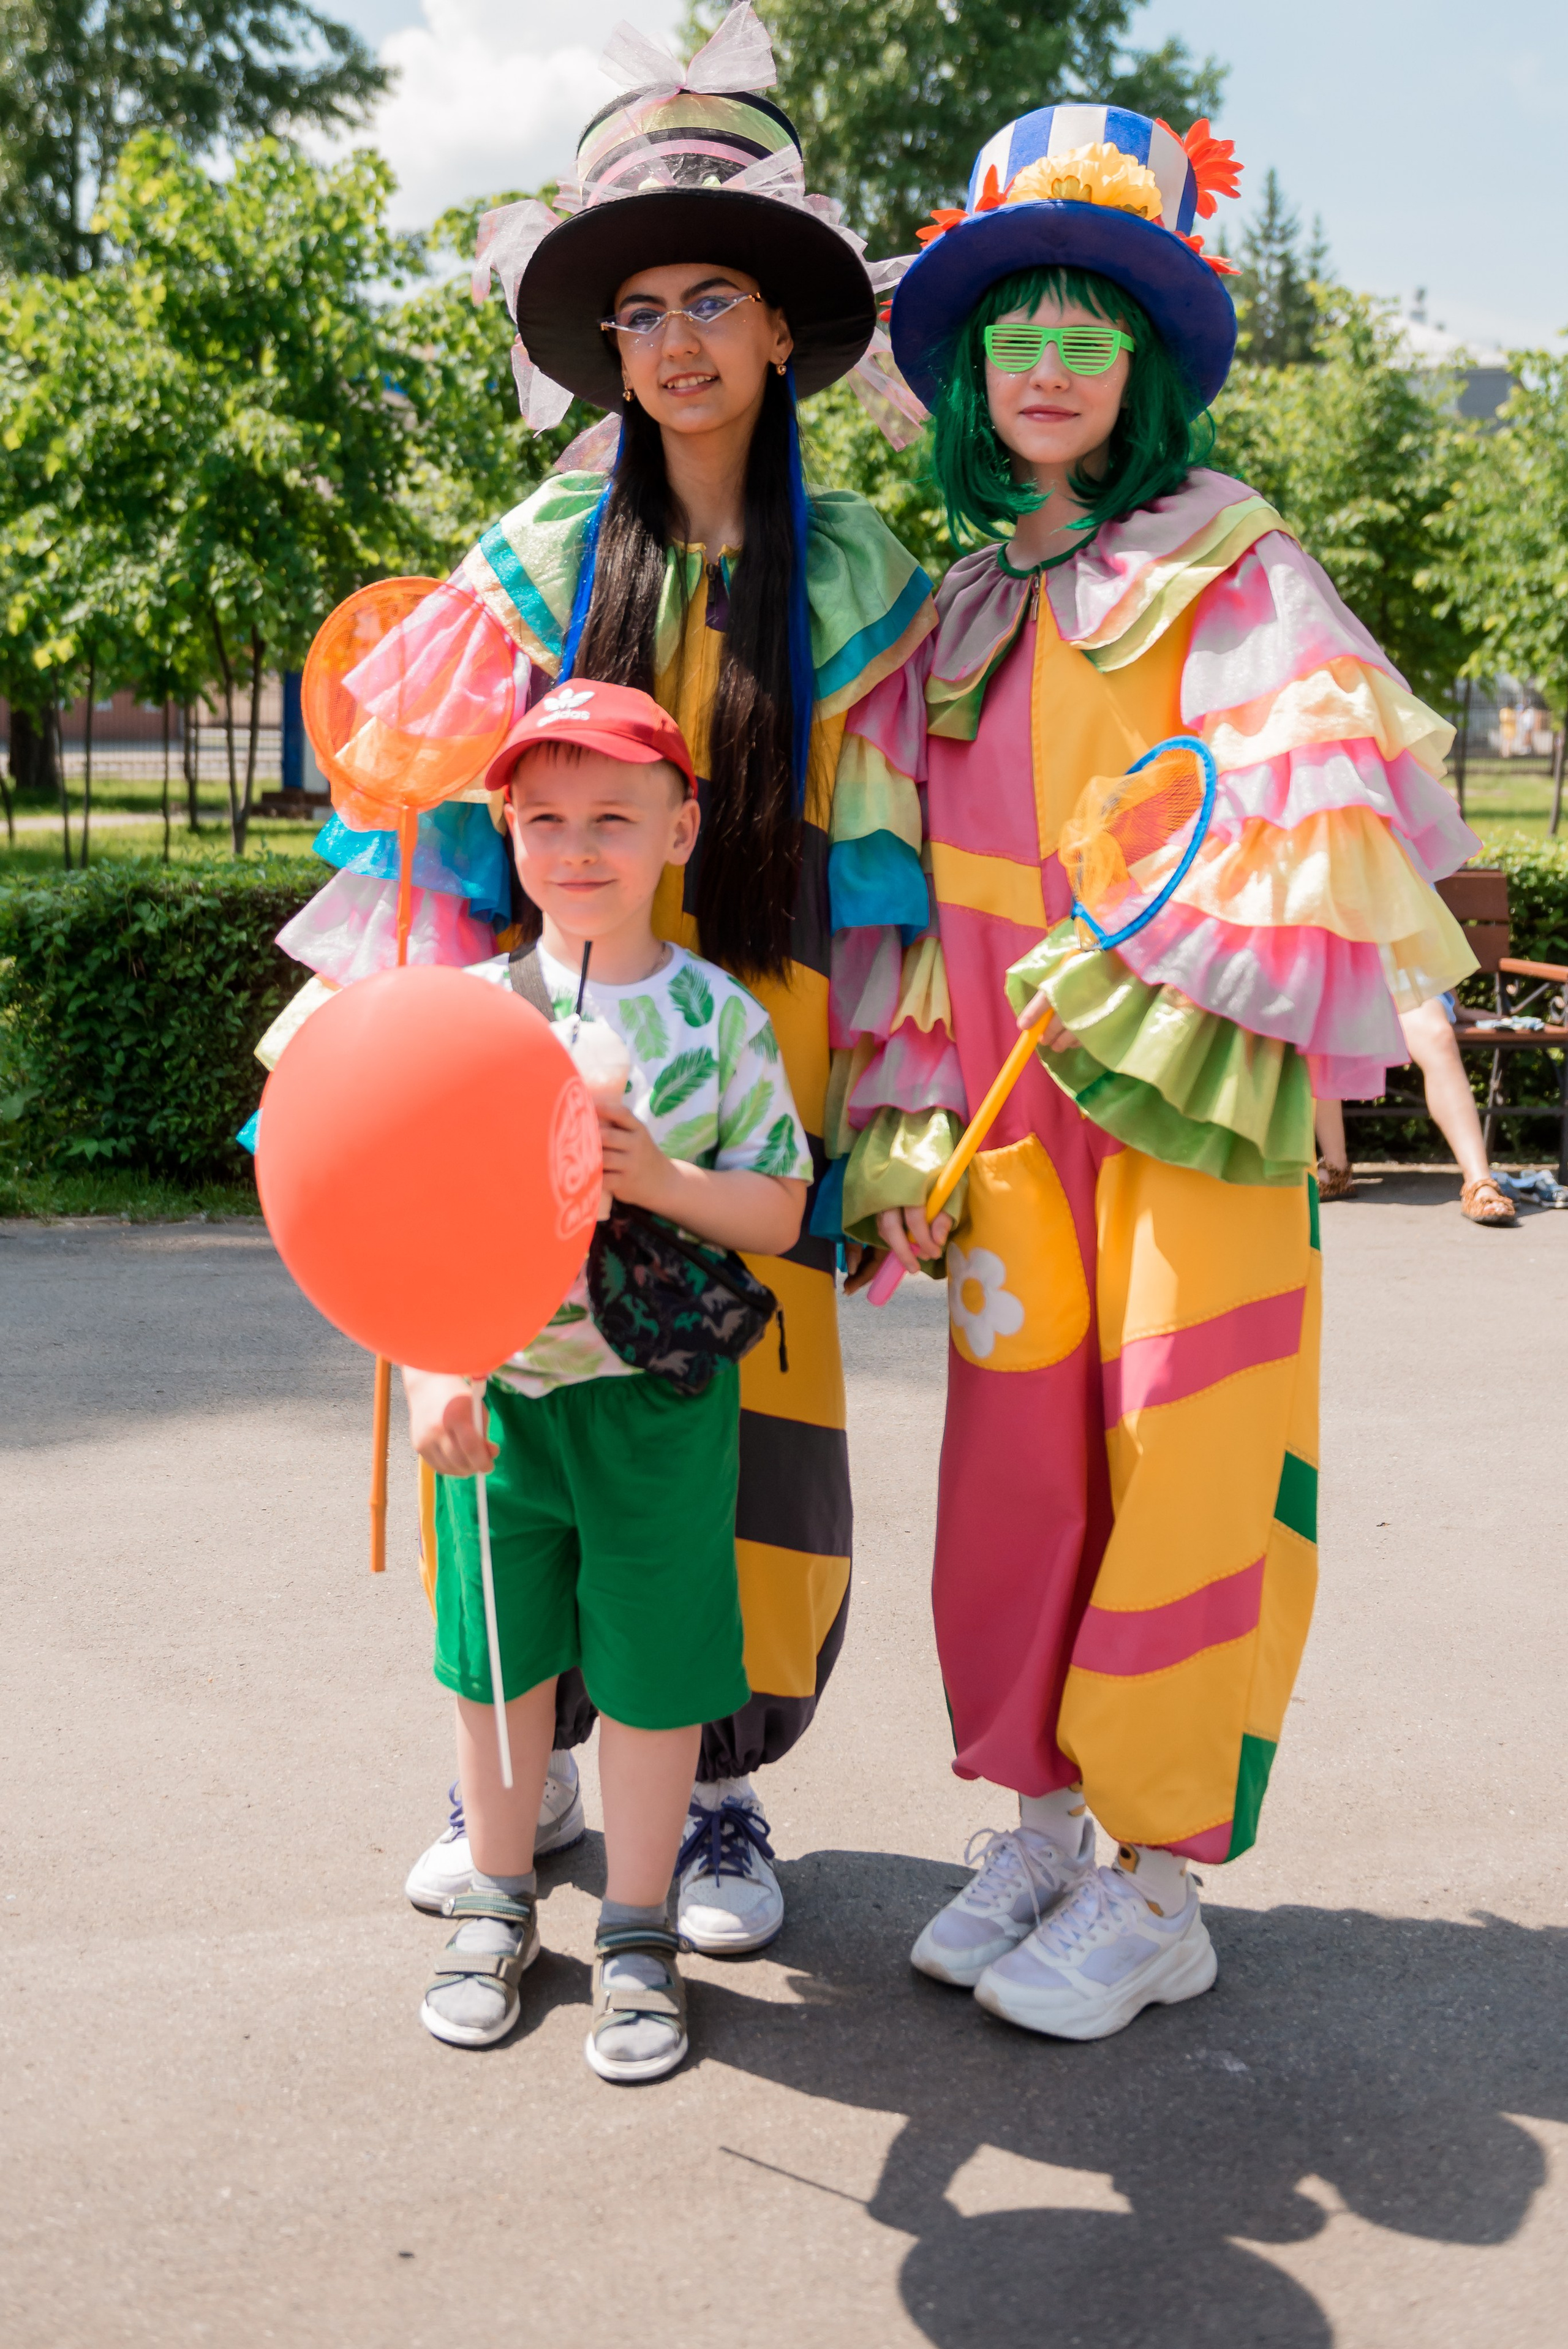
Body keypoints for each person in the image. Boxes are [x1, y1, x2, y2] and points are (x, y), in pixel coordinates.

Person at [283, 10, 937, 1951]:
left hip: (766, 1045)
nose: (672, 339)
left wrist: (880, 1097)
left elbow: (891, 866)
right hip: (547, 1043)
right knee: (516, 1379)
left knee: (737, 1418)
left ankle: (720, 1787)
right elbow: (437, 825)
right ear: (605, 342)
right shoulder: (544, 545)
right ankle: (524, 1757)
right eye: (636, 304)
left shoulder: (871, 569)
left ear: (779, 323)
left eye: (711, 293)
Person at [839, 105, 1480, 2040]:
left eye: (1085, 329)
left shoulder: (1227, 561)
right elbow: (913, 900)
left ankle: (1163, 1876)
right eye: (1010, 328)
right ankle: (1039, 1815)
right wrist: (910, 1107)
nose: (1043, 363)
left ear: (1141, 367)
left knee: (1184, 1455)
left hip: (1186, 1112)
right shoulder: (953, 609)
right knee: (1017, 1468)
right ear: (962, 367)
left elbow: (1327, 814)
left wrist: (1161, 985)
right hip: (1017, 1125)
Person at [408, 678, 812, 2074]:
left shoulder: (714, 1020)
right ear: (505, 831)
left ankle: (636, 1926)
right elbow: (415, 1226)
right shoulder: (465, 1014)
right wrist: (429, 1373)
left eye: (613, 817)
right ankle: (498, 1894)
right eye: (543, 818)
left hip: (657, 1398)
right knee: (499, 1661)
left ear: (679, 827)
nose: (577, 847)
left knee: (651, 1673)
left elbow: (778, 1208)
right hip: (502, 1403)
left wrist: (666, 1177)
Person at [1314, 997, 1516, 1223]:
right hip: (1336, 981)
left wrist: (1456, 1006)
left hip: (1403, 980)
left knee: (1437, 1035)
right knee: (1317, 1026)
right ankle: (1335, 1170)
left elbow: (1435, 959)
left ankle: (1480, 1182)